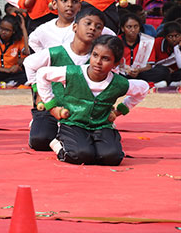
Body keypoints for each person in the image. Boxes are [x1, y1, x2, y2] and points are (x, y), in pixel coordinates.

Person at [38, 35, 149, 166]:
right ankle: (57, 143)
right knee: (81, 155)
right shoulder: (72, 73)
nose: (98, 62)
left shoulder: (119, 83)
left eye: (105, 58)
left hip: (102, 125)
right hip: (73, 123)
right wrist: (52, 106)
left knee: (112, 158)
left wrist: (119, 111)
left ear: (115, 63)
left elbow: (144, 88)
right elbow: (42, 74)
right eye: (95, 55)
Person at [23, 6, 106, 151]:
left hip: (83, 112)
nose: (92, 28)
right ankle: (47, 126)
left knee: (98, 147)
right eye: (88, 23)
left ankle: (64, 137)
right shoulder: (56, 52)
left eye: (98, 27)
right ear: (75, 27)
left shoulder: (99, 59)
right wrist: (38, 91)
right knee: (39, 140)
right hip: (54, 107)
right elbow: (28, 63)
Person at [28, 0, 115, 53]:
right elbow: (32, 41)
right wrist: (46, 58)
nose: (69, 5)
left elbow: (112, 38)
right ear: (54, 4)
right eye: (64, 0)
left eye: (74, 1)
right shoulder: (44, 29)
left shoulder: (87, 25)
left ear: (79, 6)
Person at [118, 12, 167, 86]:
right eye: (129, 27)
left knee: (163, 71)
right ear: (122, 28)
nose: (133, 30)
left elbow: (149, 66)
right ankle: (146, 84)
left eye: (136, 26)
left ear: (139, 27)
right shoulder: (117, 41)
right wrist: (125, 69)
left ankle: (134, 84)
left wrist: (138, 70)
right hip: (122, 73)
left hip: (140, 73)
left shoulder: (147, 41)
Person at [0, 13, 29, 88]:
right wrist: (7, 70)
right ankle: (5, 83)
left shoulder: (18, 40)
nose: (3, 32)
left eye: (7, 30)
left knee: (28, 74)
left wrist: (23, 28)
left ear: (13, 31)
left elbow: (27, 52)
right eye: (1, 28)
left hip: (12, 73)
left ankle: (1, 83)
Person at [152, 22, 181, 86]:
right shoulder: (157, 42)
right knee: (163, 71)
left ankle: (171, 83)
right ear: (165, 37)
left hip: (176, 73)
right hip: (160, 71)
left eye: (177, 36)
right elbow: (151, 64)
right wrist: (166, 68)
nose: (174, 39)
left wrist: (176, 48)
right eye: (170, 36)